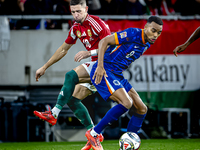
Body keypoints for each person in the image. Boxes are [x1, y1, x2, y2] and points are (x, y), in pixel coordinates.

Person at [33, 0, 111, 149]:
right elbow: (63, 49)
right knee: (72, 100)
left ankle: (54, 113)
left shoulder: (95, 23)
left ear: (86, 9)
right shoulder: (76, 27)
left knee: (70, 75)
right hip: (95, 65)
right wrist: (44, 67)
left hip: (107, 64)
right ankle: (94, 135)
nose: (76, 15)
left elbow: (110, 45)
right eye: (73, 12)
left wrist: (89, 53)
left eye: (79, 11)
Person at [84, 16, 163, 150]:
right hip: (105, 70)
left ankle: (128, 145)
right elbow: (104, 41)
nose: (155, 35)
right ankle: (94, 133)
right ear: (145, 27)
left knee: (142, 109)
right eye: (153, 30)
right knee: (126, 103)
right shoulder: (132, 34)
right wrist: (100, 66)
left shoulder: (148, 42)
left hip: (117, 75)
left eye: (159, 32)